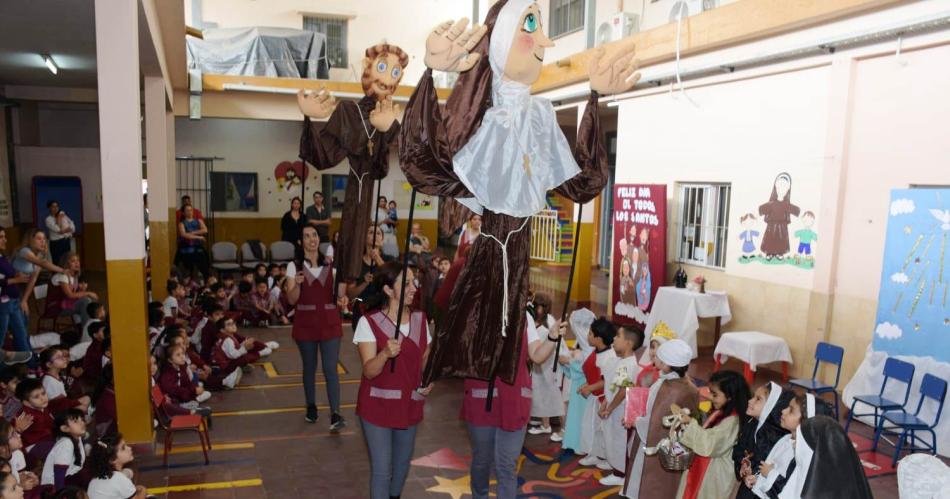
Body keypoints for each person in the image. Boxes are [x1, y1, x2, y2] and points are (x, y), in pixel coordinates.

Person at [400, 0, 636, 388]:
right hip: (493, 243)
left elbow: (581, 181)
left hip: (520, 249)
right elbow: (426, 163)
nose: (545, 40)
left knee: (506, 339)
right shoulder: (482, 118)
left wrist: (595, 99)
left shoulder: (541, 115)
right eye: (531, 24)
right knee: (469, 324)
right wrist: (428, 73)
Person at [297, 43, 408, 290]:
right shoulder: (348, 111)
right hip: (354, 186)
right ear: (368, 68)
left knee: (362, 234)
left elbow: (385, 166)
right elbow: (323, 155)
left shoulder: (388, 118)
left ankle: (352, 286)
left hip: (368, 186)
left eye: (395, 72)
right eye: (382, 66)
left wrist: (388, 129)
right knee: (350, 231)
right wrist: (309, 118)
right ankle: (345, 285)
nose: (387, 77)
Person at [354, 262, 431, 499]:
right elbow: (369, 371)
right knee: (382, 470)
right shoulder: (369, 322)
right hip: (377, 405)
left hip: (409, 404)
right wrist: (385, 354)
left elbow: (425, 355)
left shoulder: (420, 319)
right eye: (406, 283)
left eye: (414, 281)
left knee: (401, 465)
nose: (413, 287)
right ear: (388, 290)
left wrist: (428, 380)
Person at [285, 226, 347, 429]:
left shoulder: (331, 265)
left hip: (330, 322)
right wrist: (297, 285)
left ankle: (336, 413)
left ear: (319, 240)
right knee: (309, 367)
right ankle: (311, 406)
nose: (311, 239)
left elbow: (340, 295)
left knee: (331, 369)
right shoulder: (294, 267)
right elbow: (292, 299)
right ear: (300, 241)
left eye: (314, 235)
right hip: (305, 324)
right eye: (306, 236)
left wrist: (345, 279)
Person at [622, 339, 700, 499]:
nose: (653, 358)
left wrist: (635, 420)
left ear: (666, 365)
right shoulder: (687, 385)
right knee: (668, 485)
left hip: (658, 447)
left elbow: (655, 423)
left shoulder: (670, 390)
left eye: (657, 357)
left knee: (654, 484)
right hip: (675, 446)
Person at [675, 370, 749, 499]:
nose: (710, 397)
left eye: (715, 394)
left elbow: (710, 444)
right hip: (705, 469)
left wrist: (690, 423)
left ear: (730, 396)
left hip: (714, 475)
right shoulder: (722, 413)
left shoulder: (732, 422)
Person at [599, 325, 643, 486]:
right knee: (613, 439)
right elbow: (613, 386)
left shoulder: (628, 364)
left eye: (618, 336)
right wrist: (606, 402)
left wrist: (610, 408)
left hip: (621, 411)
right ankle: (615, 467)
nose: (614, 339)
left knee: (620, 442)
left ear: (629, 343)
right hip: (615, 407)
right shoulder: (622, 361)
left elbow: (624, 389)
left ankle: (621, 474)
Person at [733, 382, 793, 499]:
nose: (750, 401)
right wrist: (743, 464)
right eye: (753, 397)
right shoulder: (751, 423)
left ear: (772, 405)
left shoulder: (775, 437)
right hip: (747, 487)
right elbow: (740, 448)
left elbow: (769, 467)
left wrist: (753, 472)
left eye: (758, 399)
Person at [577, 318, 616, 470]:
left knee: (605, 429)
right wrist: (587, 385)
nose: (588, 336)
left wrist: (590, 387)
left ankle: (609, 457)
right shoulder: (598, 351)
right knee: (592, 427)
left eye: (590, 333)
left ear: (598, 338)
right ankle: (594, 453)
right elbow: (595, 375)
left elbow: (608, 380)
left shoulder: (609, 357)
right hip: (595, 396)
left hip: (604, 398)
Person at [558, 308, 595, 452]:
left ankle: (583, 445)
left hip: (585, 386)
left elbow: (587, 367)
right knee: (577, 414)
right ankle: (577, 443)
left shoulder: (589, 346)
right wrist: (569, 363)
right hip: (578, 386)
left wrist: (569, 361)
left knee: (582, 416)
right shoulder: (583, 343)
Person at [0, 227, 37, 364]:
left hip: (13, 301)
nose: (5, 239)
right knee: (2, 337)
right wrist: (16, 280)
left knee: (21, 334)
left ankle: (32, 366)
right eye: (1, 237)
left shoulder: (2, 256)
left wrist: (16, 275)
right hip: (3, 303)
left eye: (4, 236)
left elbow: (7, 274)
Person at [527, 294, 561, 436]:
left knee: (546, 395)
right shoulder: (540, 324)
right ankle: (540, 419)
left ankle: (546, 424)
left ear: (539, 309)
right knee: (539, 394)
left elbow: (538, 353)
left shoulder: (544, 328)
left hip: (544, 369)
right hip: (539, 368)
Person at [345, 224, 388, 328]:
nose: (375, 235)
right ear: (364, 238)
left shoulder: (389, 260)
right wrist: (364, 283)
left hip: (383, 310)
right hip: (361, 309)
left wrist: (377, 259)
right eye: (371, 232)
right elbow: (350, 294)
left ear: (382, 240)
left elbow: (392, 280)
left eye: (378, 233)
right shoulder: (356, 262)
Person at [86, 433, 148, 499]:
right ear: (112, 459)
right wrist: (143, 490)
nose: (129, 448)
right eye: (123, 448)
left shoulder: (96, 478)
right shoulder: (119, 478)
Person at [40, 409, 88, 492]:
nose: (82, 423)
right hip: (53, 487)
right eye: (76, 421)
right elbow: (59, 474)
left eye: (82, 420)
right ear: (65, 428)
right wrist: (62, 495)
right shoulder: (66, 443)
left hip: (68, 480)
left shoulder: (77, 438)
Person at [51, 254, 98, 326]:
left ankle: (91, 326)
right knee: (85, 301)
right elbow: (70, 295)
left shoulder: (74, 277)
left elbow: (76, 294)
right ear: (66, 264)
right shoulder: (62, 276)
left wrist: (83, 291)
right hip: (58, 308)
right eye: (73, 261)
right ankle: (87, 330)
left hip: (68, 304)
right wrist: (88, 293)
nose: (77, 263)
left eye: (77, 260)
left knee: (90, 300)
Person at [175, 205, 210, 280]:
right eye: (187, 210)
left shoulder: (198, 221)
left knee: (204, 262)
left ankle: (206, 281)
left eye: (191, 210)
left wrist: (191, 233)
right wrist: (199, 237)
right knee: (187, 267)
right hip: (186, 248)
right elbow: (184, 235)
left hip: (197, 247)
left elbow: (205, 230)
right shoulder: (181, 223)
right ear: (183, 213)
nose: (190, 212)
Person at [44, 201, 75, 271]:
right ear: (49, 208)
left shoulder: (64, 216)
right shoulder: (48, 219)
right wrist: (59, 218)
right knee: (57, 262)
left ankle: (67, 279)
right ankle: (57, 280)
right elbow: (59, 230)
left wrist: (66, 229)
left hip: (66, 241)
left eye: (57, 206)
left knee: (67, 261)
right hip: (56, 243)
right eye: (53, 206)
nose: (55, 208)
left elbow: (72, 227)